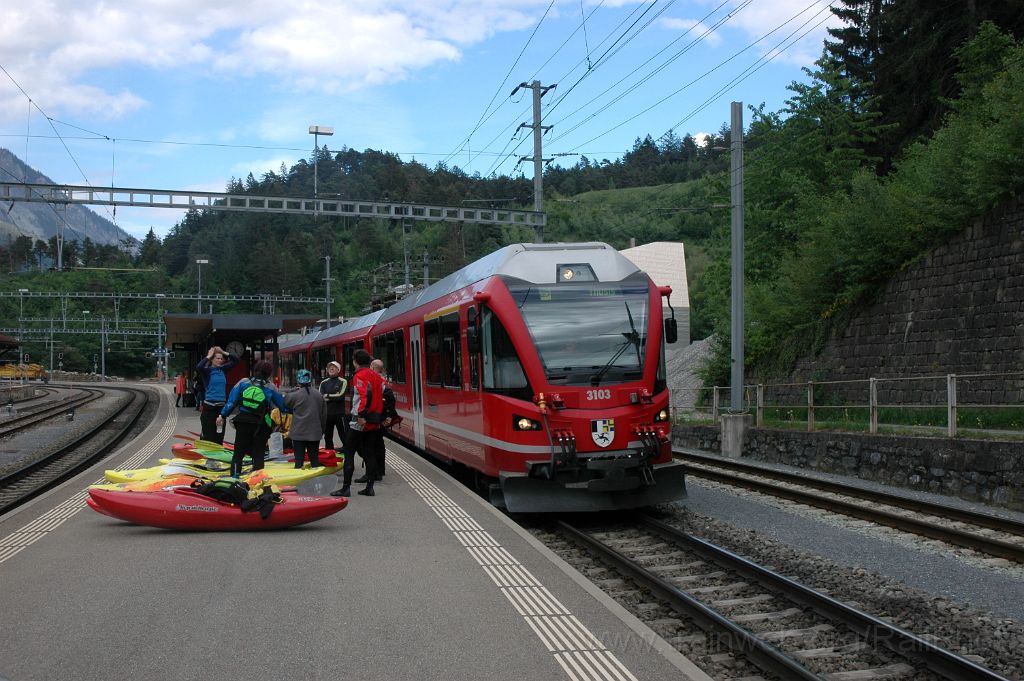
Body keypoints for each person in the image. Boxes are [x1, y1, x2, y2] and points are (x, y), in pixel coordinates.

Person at [218, 360, 286, 478]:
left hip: (243, 422)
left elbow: (231, 401)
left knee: (238, 454)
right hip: (261, 424)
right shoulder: (270, 386)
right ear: (268, 373)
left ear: (255, 370)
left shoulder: (243, 382)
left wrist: (222, 415)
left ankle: (235, 478)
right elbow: (283, 406)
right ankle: (257, 480)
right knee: (258, 454)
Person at [331, 349, 384, 498]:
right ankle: (370, 487)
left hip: (360, 420)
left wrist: (361, 414)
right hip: (374, 419)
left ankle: (346, 488)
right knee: (369, 452)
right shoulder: (377, 376)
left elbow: (364, 395)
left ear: (355, 361)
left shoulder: (359, 376)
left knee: (349, 451)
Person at [358, 359, 398, 482]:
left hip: (375, 417)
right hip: (381, 417)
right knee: (379, 444)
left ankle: (373, 473)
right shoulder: (383, 381)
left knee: (370, 445)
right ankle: (380, 470)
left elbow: (389, 397)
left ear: (373, 367)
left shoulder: (375, 380)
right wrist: (390, 415)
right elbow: (391, 398)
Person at [195, 346, 240, 443]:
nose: (220, 360)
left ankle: (218, 453)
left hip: (221, 409)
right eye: (217, 358)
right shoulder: (207, 371)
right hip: (209, 408)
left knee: (219, 435)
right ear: (212, 360)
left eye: (221, 359)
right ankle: (206, 452)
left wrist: (223, 351)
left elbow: (236, 361)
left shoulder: (223, 370)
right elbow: (198, 367)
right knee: (208, 436)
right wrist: (209, 355)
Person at [284, 369, 326, 469]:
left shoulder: (294, 395)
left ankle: (299, 479)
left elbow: (285, 403)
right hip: (314, 432)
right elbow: (324, 415)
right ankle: (316, 478)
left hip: (298, 432)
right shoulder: (319, 395)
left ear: (298, 381)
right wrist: (322, 430)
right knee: (314, 460)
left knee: (299, 461)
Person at [319, 360, 348, 451]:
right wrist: (334, 396)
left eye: (334, 367)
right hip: (327, 414)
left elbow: (340, 396)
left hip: (339, 414)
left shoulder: (343, 381)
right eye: (329, 367)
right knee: (328, 437)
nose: (331, 368)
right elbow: (320, 397)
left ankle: (347, 454)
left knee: (343, 435)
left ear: (338, 369)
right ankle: (329, 453)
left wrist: (327, 396)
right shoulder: (323, 382)